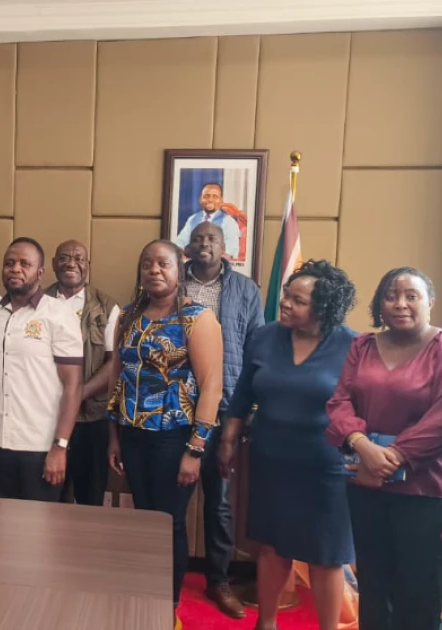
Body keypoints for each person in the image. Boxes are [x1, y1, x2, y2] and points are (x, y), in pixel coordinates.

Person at [325, 267, 442, 630]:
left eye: (412, 295)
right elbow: (339, 403)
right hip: (366, 483)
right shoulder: (362, 346)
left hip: (426, 489)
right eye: (391, 295)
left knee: (420, 591)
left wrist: (389, 458)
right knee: (374, 586)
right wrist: (363, 447)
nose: (400, 303)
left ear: (431, 302)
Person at [216, 260, 358, 630]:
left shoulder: (353, 345)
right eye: (286, 296)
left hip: (326, 464)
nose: (285, 304)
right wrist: (228, 440)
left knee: (326, 555)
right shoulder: (265, 337)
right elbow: (243, 393)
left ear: (323, 307)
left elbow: (364, 407)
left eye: (298, 300)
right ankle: (266, 623)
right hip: (270, 458)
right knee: (271, 546)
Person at [105, 239, 223, 624]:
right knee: (144, 519)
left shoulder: (196, 317)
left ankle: (167, 608)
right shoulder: (128, 315)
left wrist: (195, 449)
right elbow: (117, 376)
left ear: (179, 270)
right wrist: (114, 434)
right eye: (147, 264)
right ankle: (146, 597)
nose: (154, 271)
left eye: (163, 264)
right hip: (134, 434)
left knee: (169, 523)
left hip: (176, 438)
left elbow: (212, 386)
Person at [0, 238, 83, 501]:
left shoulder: (58, 315)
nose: (15, 269)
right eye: (9, 263)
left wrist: (60, 447)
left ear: (40, 272)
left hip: (40, 446)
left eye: (25, 264)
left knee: (38, 531)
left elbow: (73, 386)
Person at [184, 221, 264, 618]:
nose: (204, 244)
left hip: (223, 409)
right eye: (198, 238)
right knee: (170, 503)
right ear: (187, 245)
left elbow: (256, 349)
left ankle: (219, 581)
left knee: (218, 504)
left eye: (212, 239)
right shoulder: (170, 282)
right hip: (174, 408)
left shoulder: (245, 289)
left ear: (224, 247)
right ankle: (166, 578)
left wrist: (246, 409)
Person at [44, 240, 119, 506]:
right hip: (46, 417)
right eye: (64, 257)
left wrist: (76, 396)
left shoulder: (107, 306)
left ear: (88, 266)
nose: (71, 263)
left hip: (92, 421)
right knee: (51, 496)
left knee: (90, 498)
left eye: (78, 258)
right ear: (53, 264)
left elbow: (114, 363)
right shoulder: (38, 303)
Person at [174, 183, 240, 253]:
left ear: (221, 201)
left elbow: (231, 251)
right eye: (206, 196)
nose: (210, 200)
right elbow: (180, 242)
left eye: (215, 196)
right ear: (200, 199)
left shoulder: (229, 222)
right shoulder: (192, 219)